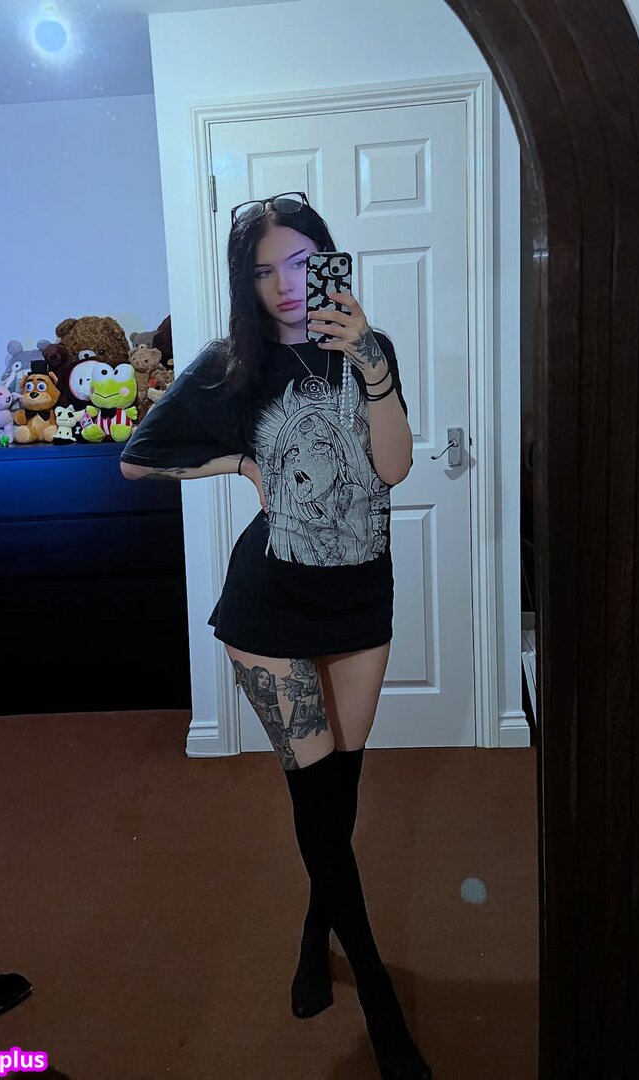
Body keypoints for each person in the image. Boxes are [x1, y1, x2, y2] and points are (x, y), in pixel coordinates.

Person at [119, 192, 429, 1078]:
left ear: (327, 260)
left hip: (360, 599)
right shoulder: (232, 364)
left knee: (339, 798)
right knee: (314, 798)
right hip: (269, 609)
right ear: (244, 284)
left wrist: (370, 364)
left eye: (299, 263)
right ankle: (378, 998)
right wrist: (242, 461)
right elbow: (138, 457)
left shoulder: (369, 350)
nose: (286, 285)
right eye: (263, 271)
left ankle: (311, 934)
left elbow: (393, 467)